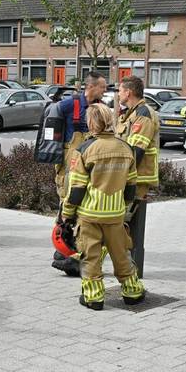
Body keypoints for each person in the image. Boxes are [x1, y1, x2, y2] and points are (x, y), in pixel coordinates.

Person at [60, 103, 146, 311]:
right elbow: (131, 185)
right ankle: (133, 292)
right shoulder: (126, 148)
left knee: (91, 257)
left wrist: (67, 215)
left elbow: (77, 188)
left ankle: (94, 297)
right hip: (115, 215)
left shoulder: (84, 149)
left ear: (92, 122)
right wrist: (122, 208)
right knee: (121, 254)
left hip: (89, 215)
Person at [51, 73, 107, 275]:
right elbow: (52, 127)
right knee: (66, 205)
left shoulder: (101, 108)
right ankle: (62, 249)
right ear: (91, 86)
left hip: (88, 163)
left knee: (80, 208)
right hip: (69, 163)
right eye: (102, 87)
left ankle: (73, 253)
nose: (105, 91)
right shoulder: (68, 105)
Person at [114, 75, 159, 273]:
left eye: (120, 90)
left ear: (128, 92)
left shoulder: (143, 114)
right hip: (128, 178)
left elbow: (135, 151)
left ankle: (127, 270)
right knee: (118, 223)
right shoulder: (130, 114)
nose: (117, 94)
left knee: (120, 223)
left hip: (135, 179)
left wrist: (120, 176)